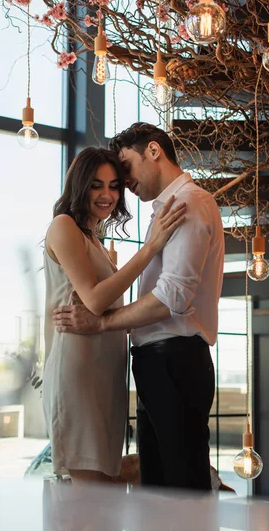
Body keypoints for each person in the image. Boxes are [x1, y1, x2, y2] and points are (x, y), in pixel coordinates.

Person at [52, 124, 225, 491]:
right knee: (160, 488)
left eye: (123, 171)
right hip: (156, 362)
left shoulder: (187, 204)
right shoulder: (164, 212)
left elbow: (172, 298)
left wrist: (101, 324)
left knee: (179, 489)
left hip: (174, 358)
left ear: (153, 151)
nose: (122, 184)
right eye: (101, 184)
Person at [43, 146, 186, 484]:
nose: (107, 195)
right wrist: (151, 248)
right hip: (78, 373)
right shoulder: (63, 227)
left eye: (113, 185)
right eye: (96, 185)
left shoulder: (93, 238)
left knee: (101, 498)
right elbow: (93, 300)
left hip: (105, 375)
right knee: (90, 501)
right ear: (79, 185)